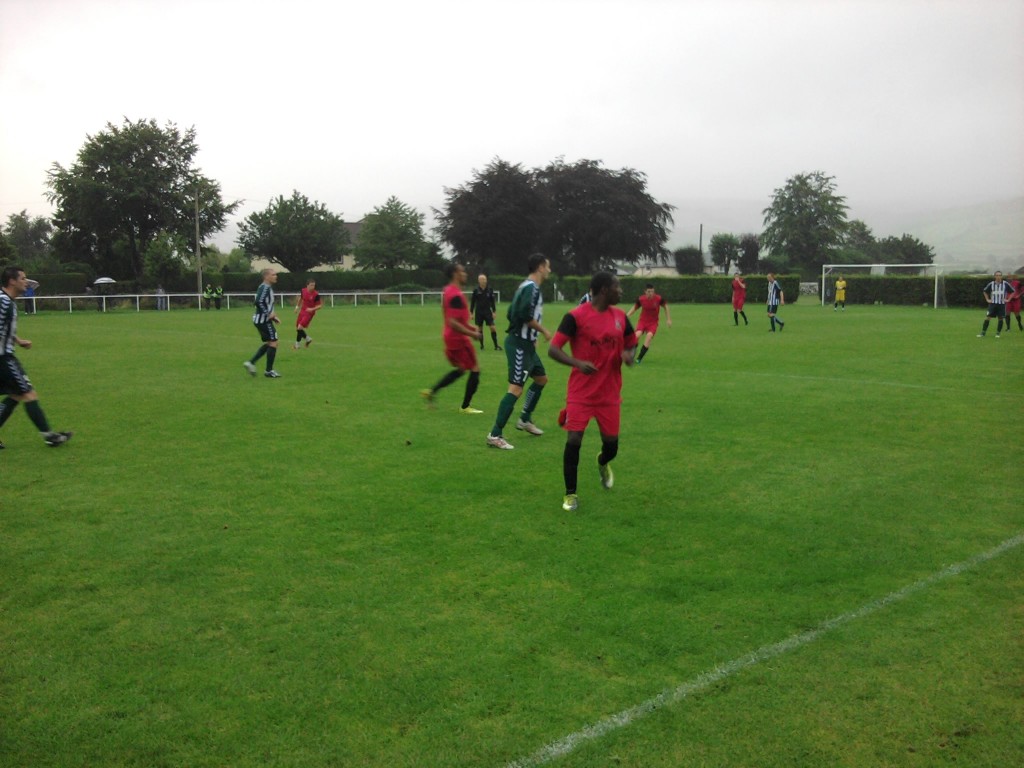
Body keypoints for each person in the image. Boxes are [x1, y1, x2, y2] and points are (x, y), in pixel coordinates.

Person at [548, 271, 637, 512]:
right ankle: (570, 494)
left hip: (609, 394)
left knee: (612, 446)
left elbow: (631, 341)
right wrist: (576, 363)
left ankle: (602, 461)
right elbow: (553, 349)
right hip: (581, 393)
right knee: (574, 439)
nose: (621, 291)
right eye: (618, 287)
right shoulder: (575, 317)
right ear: (604, 290)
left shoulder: (620, 316)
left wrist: (629, 355)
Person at [0, 266, 72, 449]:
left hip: (6, 355)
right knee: (28, 394)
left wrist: (18, 340)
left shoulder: (8, 301)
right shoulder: (4, 302)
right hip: (3, 358)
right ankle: (49, 436)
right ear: (12, 281)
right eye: (23, 278)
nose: (26, 282)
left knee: (16, 395)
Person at [486, 253, 553, 450]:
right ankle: (494, 434)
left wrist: (532, 337)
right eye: (547, 266)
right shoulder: (531, 288)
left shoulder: (526, 287)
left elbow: (510, 313)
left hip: (526, 344)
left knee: (541, 379)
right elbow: (523, 315)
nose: (549, 270)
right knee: (515, 388)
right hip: (519, 345)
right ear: (540, 267)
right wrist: (543, 331)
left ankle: (524, 419)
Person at [421, 262, 483, 413]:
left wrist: (469, 327)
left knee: (462, 369)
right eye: (462, 271)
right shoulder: (455, 295)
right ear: (455, 274)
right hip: (457, 339)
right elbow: (453, 322)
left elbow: (454, 319)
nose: (465, 274)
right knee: (475, 369)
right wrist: (473, 333)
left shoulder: (448, 290)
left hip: (451, 337)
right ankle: (465, 407)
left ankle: (431, 392)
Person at [243, 268, 282, 378]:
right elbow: (258, 301)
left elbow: (264, 303)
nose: (276, 276)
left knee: (271, 343)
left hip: (261, 320)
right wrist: (268, 314)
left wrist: (273, 317)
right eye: (273, 274)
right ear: (266, 277)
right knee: (274, 342)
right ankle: (268, 371)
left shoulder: (265, 287)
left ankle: (251, 363)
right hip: (263, 320)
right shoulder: (265, 288)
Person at [625, 283, 671, 364]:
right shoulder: (641, 299)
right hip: (642, 322)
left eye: (652, 292)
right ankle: (631, 354)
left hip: (653, 323)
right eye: (649, 292)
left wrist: (668, 319)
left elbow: (666, 306)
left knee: (649, 336)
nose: (651, 294)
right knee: (636, 336)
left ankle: (639, 358)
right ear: (645, 292)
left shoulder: (658, 299)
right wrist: (626, 316)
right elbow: (634, 308)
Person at [977, 270, 1015, 338]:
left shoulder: (1005, 284)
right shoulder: (991, 284)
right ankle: (983, 333)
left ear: (1001, 276)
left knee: (1000, 318)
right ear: (995, 276)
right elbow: (985, 291)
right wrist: (987, 299)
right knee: (988, 317)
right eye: (997, 275)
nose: (998, 277)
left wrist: (1008, 299)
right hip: (993, 304)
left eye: (999, 275)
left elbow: (1012, 291)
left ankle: (998, 334)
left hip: (1001, 304)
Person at [470, 274, 501, 351]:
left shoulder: (490, 289)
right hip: (479, 312)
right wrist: (471, 313)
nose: (483, 281)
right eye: (481, 279)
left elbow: (492, 302)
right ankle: (482, 346)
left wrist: (494, 311)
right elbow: (473, 302)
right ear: (479, 280)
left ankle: (496, 346)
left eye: (484, 279)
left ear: (486, 280)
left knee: (493, 328)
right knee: (480, 329)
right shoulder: (476, 290)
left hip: (487, 312)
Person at [293, 278, 323, 349]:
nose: (313, 287)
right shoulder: (303, 291)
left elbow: (319, 306)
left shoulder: (316, 294)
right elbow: (301, 298)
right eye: (311, 285)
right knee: (298, 328)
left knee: (300, 327)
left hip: (309, 313)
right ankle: (297, 345)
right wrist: (297, 307)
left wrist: (312, 309)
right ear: (307, 285)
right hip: (302, 311)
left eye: (314, 285)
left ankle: (308, 339)